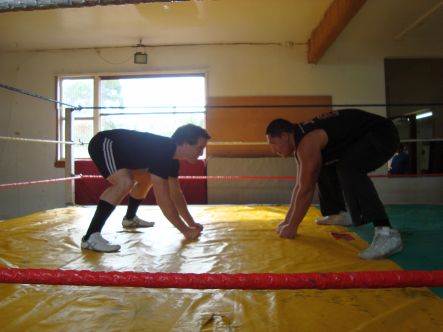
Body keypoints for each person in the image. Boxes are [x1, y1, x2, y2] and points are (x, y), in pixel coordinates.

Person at [266, 109, 403, 260]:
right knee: (321, 165)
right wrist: (287, 221)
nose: (273, 149)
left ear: (285, 136)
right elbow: (299, 185)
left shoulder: (307, 142)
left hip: (383, 133)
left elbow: (306, 189)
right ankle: (339, 212)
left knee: (350, 168)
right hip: (365, 136)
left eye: (273, 143)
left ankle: (386, 232)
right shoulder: (302, 139)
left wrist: (292, 227)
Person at [81, 124, 211, 253]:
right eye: (199, 148)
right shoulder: (163, 151)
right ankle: (90, 237)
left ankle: (130, 218)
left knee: (148, 178)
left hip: (122, 152)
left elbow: (176, 195)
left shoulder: (172, 159)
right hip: (104, 142)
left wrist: (191, 223)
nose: (201, 153)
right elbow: (163, 201)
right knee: (125, 182)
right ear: (185, 143)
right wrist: (185, 231)